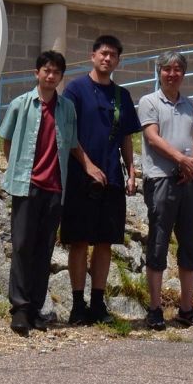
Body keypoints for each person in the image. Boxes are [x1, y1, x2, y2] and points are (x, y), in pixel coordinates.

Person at [0, 50, 104, 335]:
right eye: (46, 70)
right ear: (37, 73)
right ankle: (20, 309)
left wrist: (89, 166)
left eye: (56, 72)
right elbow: (7, 142)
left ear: (60, 77)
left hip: (56, 188)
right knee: (22, 246)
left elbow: (72, 143)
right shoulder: (21, 104)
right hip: (26, 186)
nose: (50, 75)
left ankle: (35, 308)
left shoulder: (67, 108)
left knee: (44, 249)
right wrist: (18, 170)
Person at [60, 33, 142, 324]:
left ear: (118, 61)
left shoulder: (122, 96)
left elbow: (126, 137)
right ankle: (77, 305)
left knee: (105, 242)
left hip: (112, 178)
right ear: (92, 56)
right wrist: (88, 165)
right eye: (103, 53)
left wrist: (131, 170)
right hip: (80, 178)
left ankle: (97, 303)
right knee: (79, 241)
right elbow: (67, 132)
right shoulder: (75, 89)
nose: (107, 58)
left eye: (113, 55)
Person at [137, 50, 193, 329]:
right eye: (167, 69)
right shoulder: (149, 101)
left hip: (190, 181)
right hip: (161, 180)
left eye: (177, 69)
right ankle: (155, 309)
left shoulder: (192, 104)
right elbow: (152, 137)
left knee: (191, 244)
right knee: (158, 244)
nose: (172, 74)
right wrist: (181, 160)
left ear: (184, 73)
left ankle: (186, 309)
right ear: (159, 71)